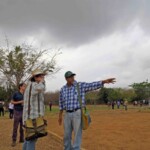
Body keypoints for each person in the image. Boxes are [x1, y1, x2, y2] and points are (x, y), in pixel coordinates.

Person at [58, 71, 116, 150]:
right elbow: (61, 103)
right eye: (70, 77)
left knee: (77, 134)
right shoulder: (62, 89)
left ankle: (76, 149)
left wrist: (103, 82)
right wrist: (60, 116)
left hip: (77, 113)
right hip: (67, 114)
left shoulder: (80, 86)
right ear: (66, 79)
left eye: (73, 76)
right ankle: (67, 148)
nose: (72, 78)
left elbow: (91, 85)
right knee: (66, 135)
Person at [23, 69, 46, 150]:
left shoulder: (31, 85)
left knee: (28, 138)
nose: (43, 77)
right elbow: (41, 88)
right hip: (32, 118)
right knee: (32, 139)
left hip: (30, 117)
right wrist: (42, 82)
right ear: (35, 77)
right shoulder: (34, 85)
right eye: (41, 76)